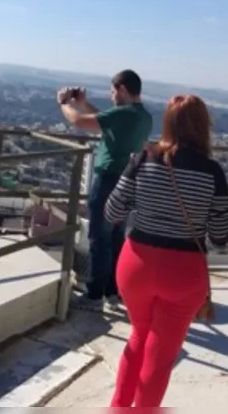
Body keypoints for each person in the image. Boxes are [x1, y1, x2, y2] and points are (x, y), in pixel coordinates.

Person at [102, 94, 228, 407]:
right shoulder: (213, 174)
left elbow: (112, 212)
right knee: (160, 358)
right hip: (183, 273)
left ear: (168, 124)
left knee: (138, 337)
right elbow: (220, 237)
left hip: (136, 265)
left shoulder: (142, 159)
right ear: (204, 127)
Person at [57, 69, 153, 311]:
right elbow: (106, 119)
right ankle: (113, 291)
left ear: (122, 89)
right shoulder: (143, 117)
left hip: (108, 178)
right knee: (116, 237)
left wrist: (64, 103)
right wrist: (82, 102)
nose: (111, 96)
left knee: (99, 237)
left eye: (113, 91)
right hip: (127, 182)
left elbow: (78, 122)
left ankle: (95, 294)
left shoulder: (125, 113)